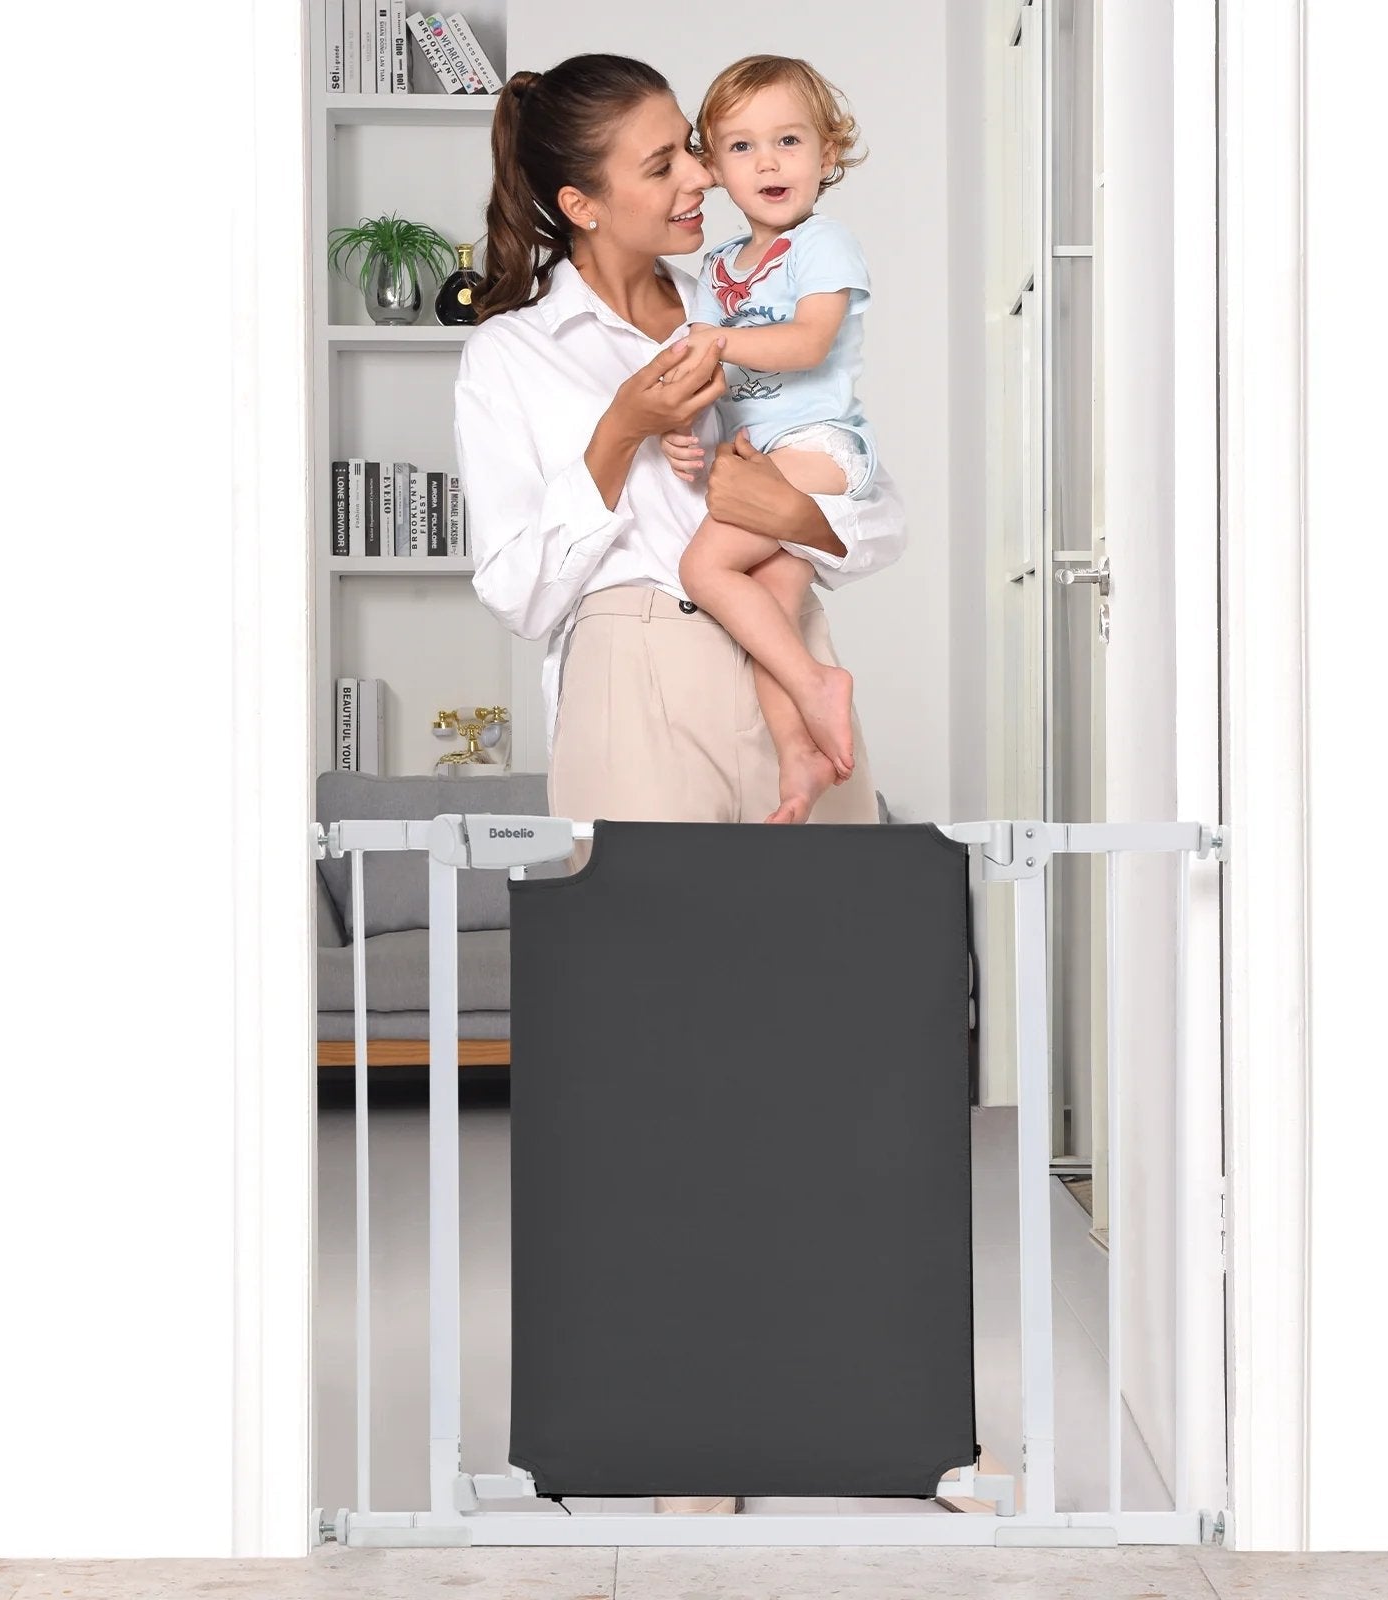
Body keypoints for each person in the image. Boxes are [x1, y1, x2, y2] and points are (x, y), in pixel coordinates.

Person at [452, 55, 908, 1514]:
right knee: (656, 1066)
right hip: (636, 663)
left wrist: (792, 506)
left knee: (846, 1046)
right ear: (582, 202)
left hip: (789, 659)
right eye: (663, 166)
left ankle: (876, 1417)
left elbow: (873, 517)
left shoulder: (763, 294)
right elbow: (519, 587)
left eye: (695, 157)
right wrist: (618, 437)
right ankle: (680, 1425)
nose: (701, 180)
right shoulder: (517, 357)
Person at [660, 55, 877, 825]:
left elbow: (809, 343)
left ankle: (822, 690)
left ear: (827, 152)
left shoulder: (823, 244)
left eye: (789, 140)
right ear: (713, 166)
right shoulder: (717, 267)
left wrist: (714, 343)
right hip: (760, 460)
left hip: (817, 444)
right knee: (768, 618)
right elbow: (708, 385)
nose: (769, 161)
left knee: (703, 567)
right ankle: (802, 758)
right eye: (743, 147)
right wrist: (685, 437)